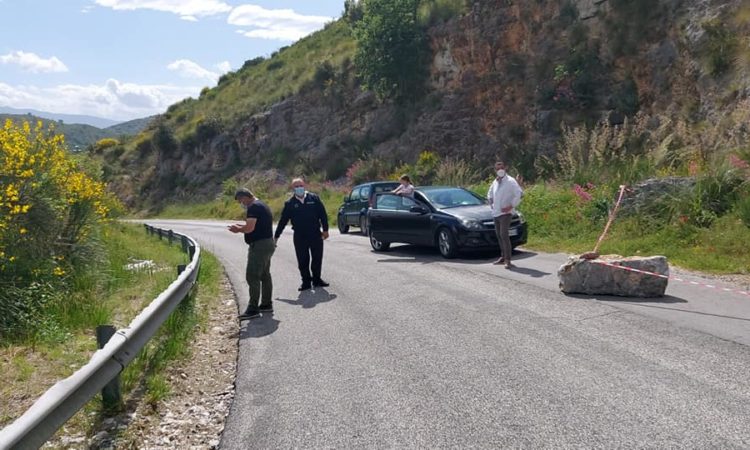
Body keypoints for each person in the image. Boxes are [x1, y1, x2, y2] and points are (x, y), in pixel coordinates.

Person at [274, 178, 330, 291]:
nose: (299, 188)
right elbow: (283, 221)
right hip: (300, 236)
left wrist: (325, 230)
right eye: (296, 186)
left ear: (304, 185)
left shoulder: (314, 198)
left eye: (300, 185)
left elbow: (323, 215)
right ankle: (306, 282)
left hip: (315, 234)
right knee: (303, 260)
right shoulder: (290, 203)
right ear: (292, 188)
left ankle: (317, 279)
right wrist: (276, 236)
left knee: (317, 258)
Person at [228, 188, 275, 320]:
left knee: (252, 276)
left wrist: (238, 229)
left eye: (240, 200)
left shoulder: (253, 207)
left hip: (259, 246)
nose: (241, 203)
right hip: (268, 243)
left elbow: (250, 228)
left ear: (245, 197)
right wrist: (242, 226)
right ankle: (266, 304)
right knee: (265, 275)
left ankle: (253, 308)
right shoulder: (262, 204)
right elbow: (254, 224)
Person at [487, 161, 523, 269]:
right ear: (495, 170)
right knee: (499, 235)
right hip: (496, 212)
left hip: (506, 213)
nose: (500, 170)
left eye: (502, 167)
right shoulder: (495, 181)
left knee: (504, 235)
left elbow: (519, 194)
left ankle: (508, 260)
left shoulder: (511, 181)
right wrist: (490, 200)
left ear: (505, 168)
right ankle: (502, 257)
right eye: (498, 168)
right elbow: (490, 193)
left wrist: (511, 206)